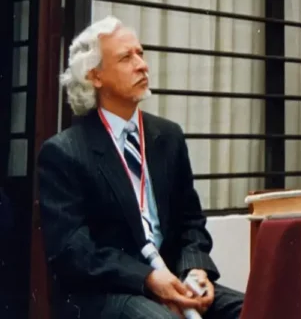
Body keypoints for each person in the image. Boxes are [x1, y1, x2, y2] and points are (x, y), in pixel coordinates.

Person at [37, 17, 244, 319]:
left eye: (140, 53)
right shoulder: (65, 152)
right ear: (95, 76)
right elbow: (73, 251)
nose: (142, 65)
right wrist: (146, 279)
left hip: (173, 277)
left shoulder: (167, 136)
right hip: (108, 291)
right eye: (125, 57)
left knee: (261, 308)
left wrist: (196, 268)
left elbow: (191, 221)